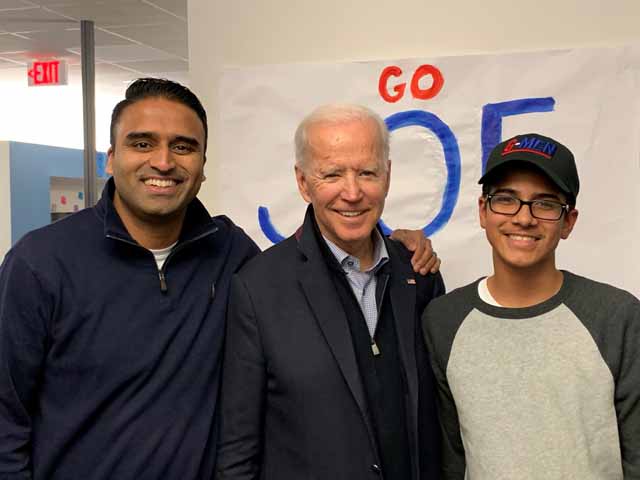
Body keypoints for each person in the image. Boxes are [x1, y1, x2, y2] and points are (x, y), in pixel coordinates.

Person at [0, 79, 438, 480]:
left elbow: (316, 258)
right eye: (142, 143)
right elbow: (5, 420)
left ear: (203, 165)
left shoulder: (231, 254)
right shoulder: (40, 263)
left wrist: (399, 243)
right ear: (111, 157)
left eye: (184, 146)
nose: (163, 161)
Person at [216, 104, 445, 480]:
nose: (351, 192)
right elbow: (238, 449)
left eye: (367, 173)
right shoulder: (258, 288)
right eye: (332, 174)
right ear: (304, 183)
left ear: (387, 176)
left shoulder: (419, 273)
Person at [422, 133, 640, 479]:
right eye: (506, 199)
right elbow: (450, 458)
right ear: (483, 211)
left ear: (568, 221)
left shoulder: (617, 315)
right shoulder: (443, 320)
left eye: (545, 204)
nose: (524, 218)